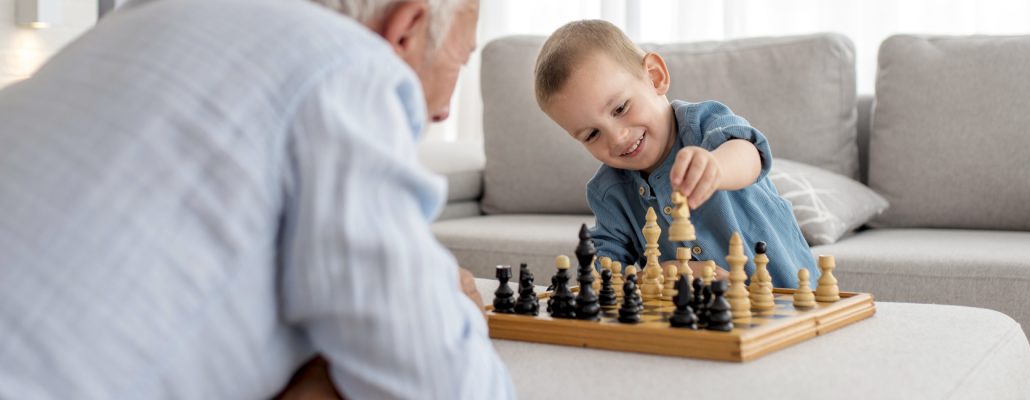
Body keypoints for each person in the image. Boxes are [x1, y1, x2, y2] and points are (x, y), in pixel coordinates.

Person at [0, 0, 513, 398]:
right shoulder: (347, 65)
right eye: (461, 59)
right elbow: (443, 385)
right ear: (406, 28)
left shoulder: (144, 19)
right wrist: (454, 310)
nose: (446, 112)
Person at [533, 20, 816, 289]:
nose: (617, 137)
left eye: (620, 109)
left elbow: (750, 155)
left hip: (792, 298)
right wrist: (652, 275)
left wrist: (715, 166)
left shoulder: (706, 125)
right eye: (592, 134)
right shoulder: (608, 192)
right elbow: (604, 272)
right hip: (710, 323)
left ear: (655, 77)